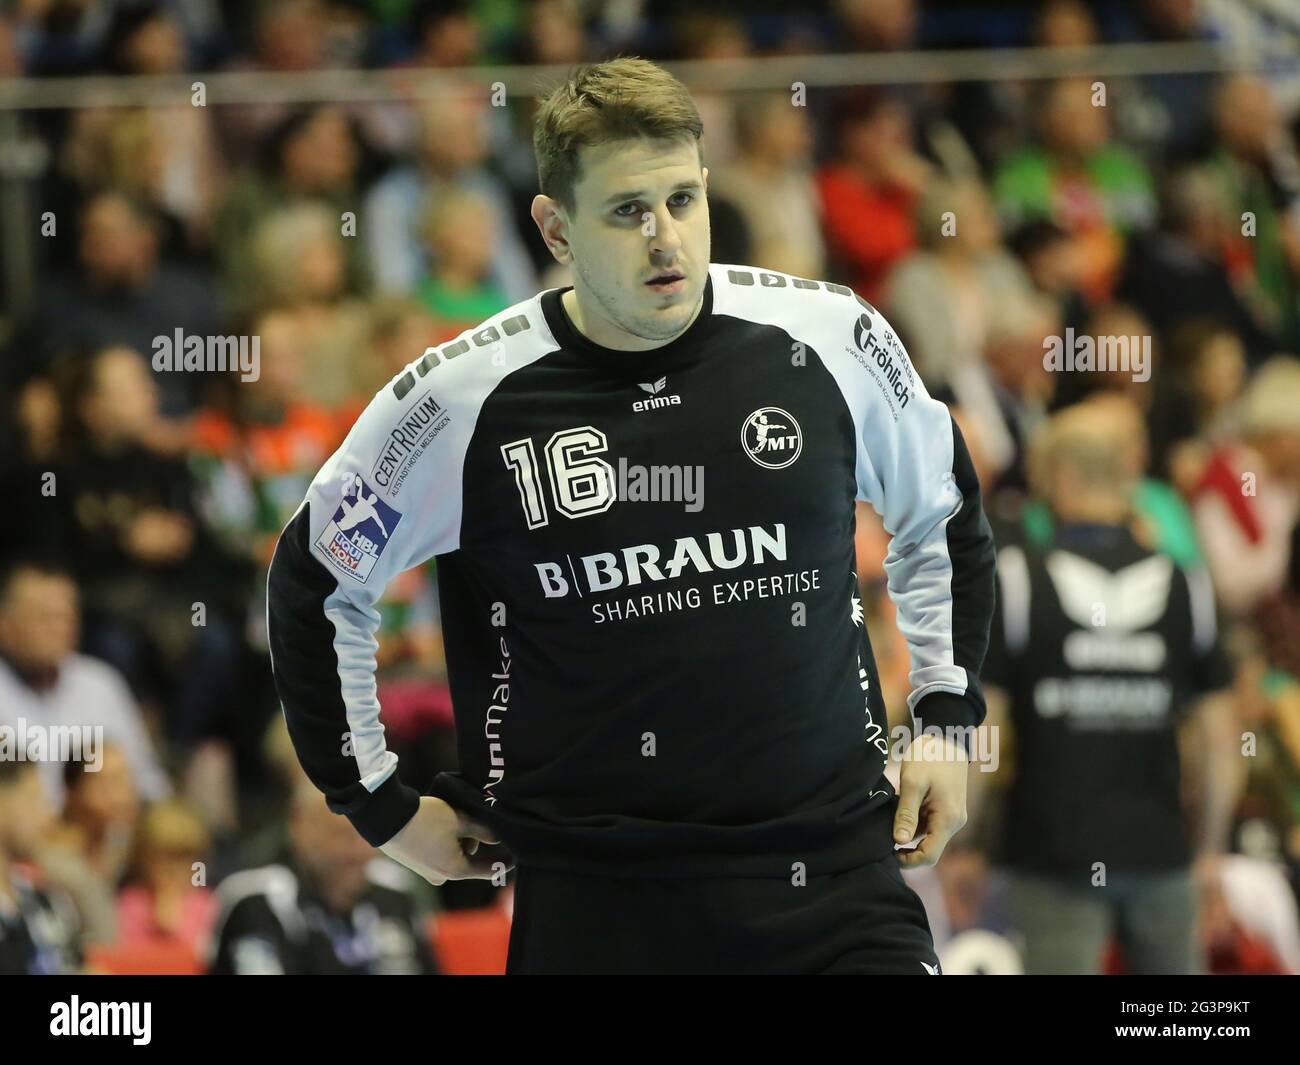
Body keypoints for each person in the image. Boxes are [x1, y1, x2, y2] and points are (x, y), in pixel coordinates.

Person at [266, 57, 996, 975]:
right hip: (598, 907)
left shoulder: (826, 338)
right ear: (553, 227)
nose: (667, 241)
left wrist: (943, 718)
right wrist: (376, 800)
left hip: (835, 880)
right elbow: (317, 578)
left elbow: (942, 510)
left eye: (683, 200)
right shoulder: (463, 401)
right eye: (627, 211)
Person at [980, 403, 1240, 974]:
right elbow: (1219, 740)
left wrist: (969, 843)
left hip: (1053, 852)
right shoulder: (1184, 581)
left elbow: (986, 730)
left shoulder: (1020, 579)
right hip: (1161, 852)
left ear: (1062, 478)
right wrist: (1210, 851)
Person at [207, 779, 438, 975]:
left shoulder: (395, 891)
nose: (359, 852)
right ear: (299, 826)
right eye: (343, 836)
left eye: (371, 837)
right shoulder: (256, 902)